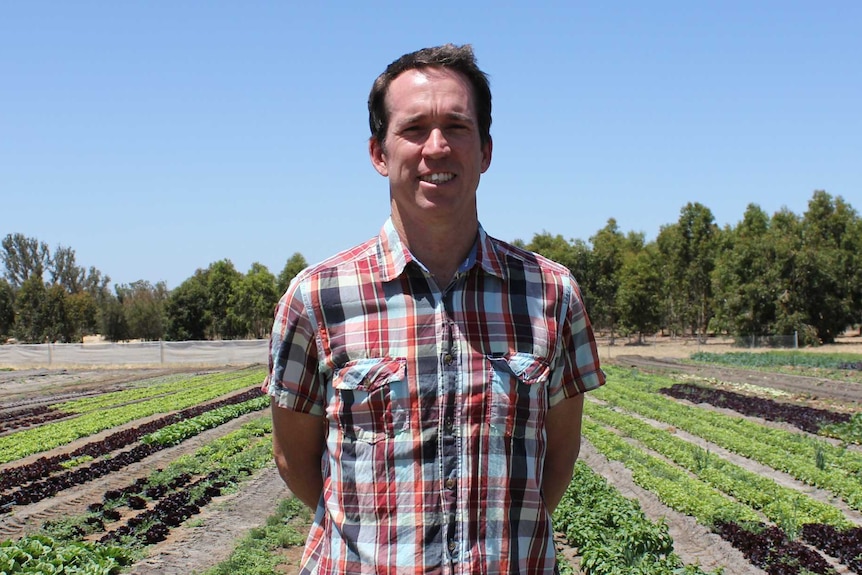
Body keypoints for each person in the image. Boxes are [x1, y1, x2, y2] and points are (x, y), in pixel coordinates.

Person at [264, 43, 605, 575]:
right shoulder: (317, 298)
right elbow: (293, 459)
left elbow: (558, 455)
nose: (437, 147)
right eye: (414, 128)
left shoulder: (551, 293)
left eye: (457, 126)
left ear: (486, 150)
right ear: (379, 153)